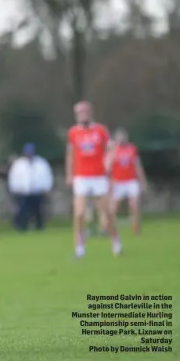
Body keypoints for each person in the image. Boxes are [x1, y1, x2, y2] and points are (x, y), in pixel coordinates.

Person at [66, 101, 122, 258]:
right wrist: (69, 174)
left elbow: (111, 148)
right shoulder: (73, 133)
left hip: (98, 176)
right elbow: (70, 154)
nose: (82, 115)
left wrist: (108, 161)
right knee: (79, 213)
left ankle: (116, 242)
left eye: (84, 112)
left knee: (107, 213)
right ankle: (79, 248)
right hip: (81, 176)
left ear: (89, 113)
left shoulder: (100, 130)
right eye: (79, 112)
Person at [107, 128, 148, 235]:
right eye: (119, 137)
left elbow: (137, 166)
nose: (121, 139)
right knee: (114, 207)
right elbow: (108, 168)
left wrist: (142, 181)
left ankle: (136, 227)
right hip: (118, 182)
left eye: (123, 137)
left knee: (134, 204)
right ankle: (110, 227)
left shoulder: (132, 149)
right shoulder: (113, 150)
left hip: (131, 181)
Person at [8, 143, 53, 231]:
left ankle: (39, 226)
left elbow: (47, 175)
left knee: (38, 210)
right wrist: (14, 188)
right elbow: (13, 177)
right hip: (23, 191)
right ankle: (21, 226)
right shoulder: (18, 164)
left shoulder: (41, 163)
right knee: (22, 210)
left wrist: (47, 187)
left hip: (37, 191)